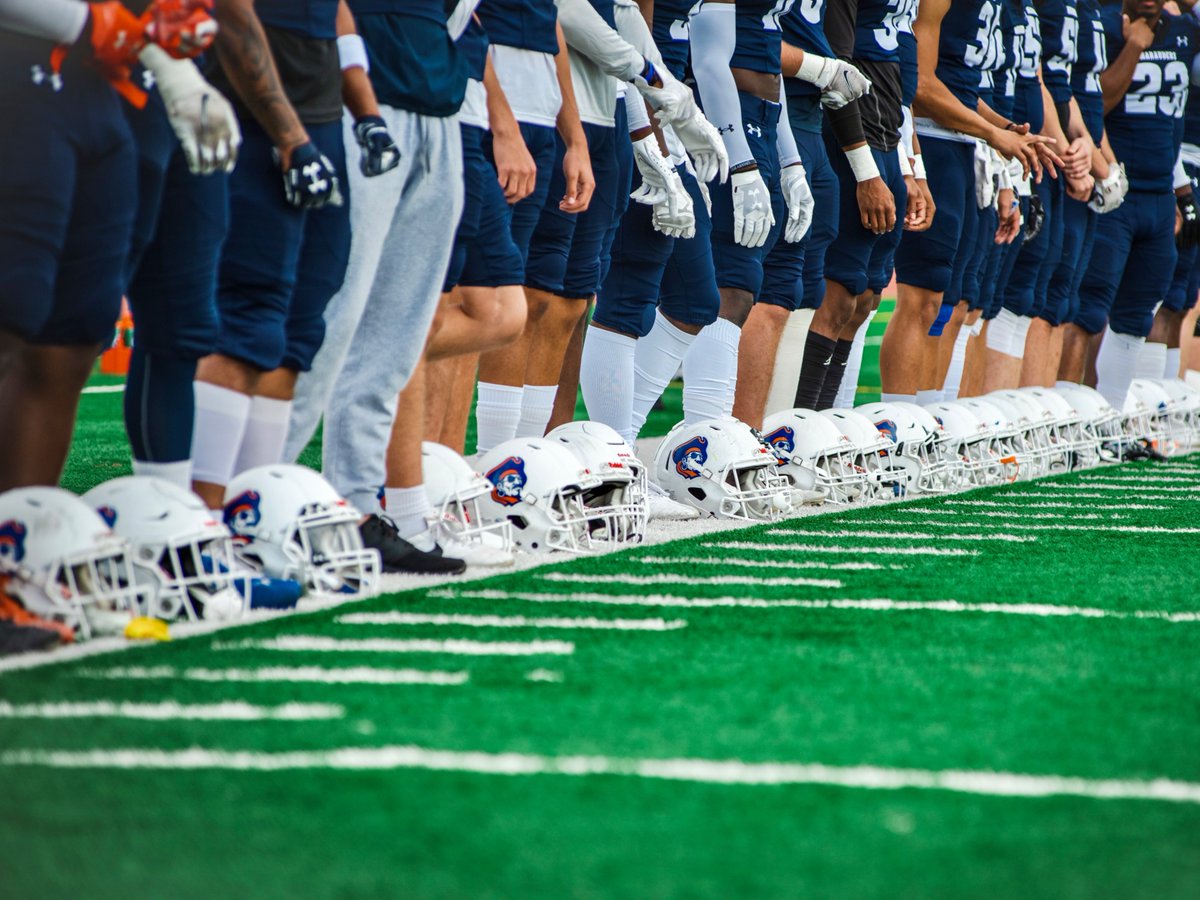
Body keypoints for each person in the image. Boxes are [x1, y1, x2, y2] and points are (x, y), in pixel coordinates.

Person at [191, 0, 360, 513]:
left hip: (322, 113)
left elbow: (336, 13)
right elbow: (232, 11)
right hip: (253, 108)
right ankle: (202, 524)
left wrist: (366, 112)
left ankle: (250, 517)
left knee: (298, 324)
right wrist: (289, 134)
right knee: (247, 311)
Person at [881, 0, 1055, 404]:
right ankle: (898, 423)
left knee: (954, 303)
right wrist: (995, 135)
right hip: (933, 141)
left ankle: (931, 422)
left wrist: (1004, 128)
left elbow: (959, 86)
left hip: (965, 146)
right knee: (922, 296)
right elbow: (922, 86)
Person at [1071, 0, 1200, 410]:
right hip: (1117, 188)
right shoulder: (1109, 26)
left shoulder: (1184, 30)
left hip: (1160, 194)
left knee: (1141, 309)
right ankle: (1072, 414)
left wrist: (1179, 189)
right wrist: (1132, 49)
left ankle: (1113, 415)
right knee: (1089, 308)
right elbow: (1097, 104)